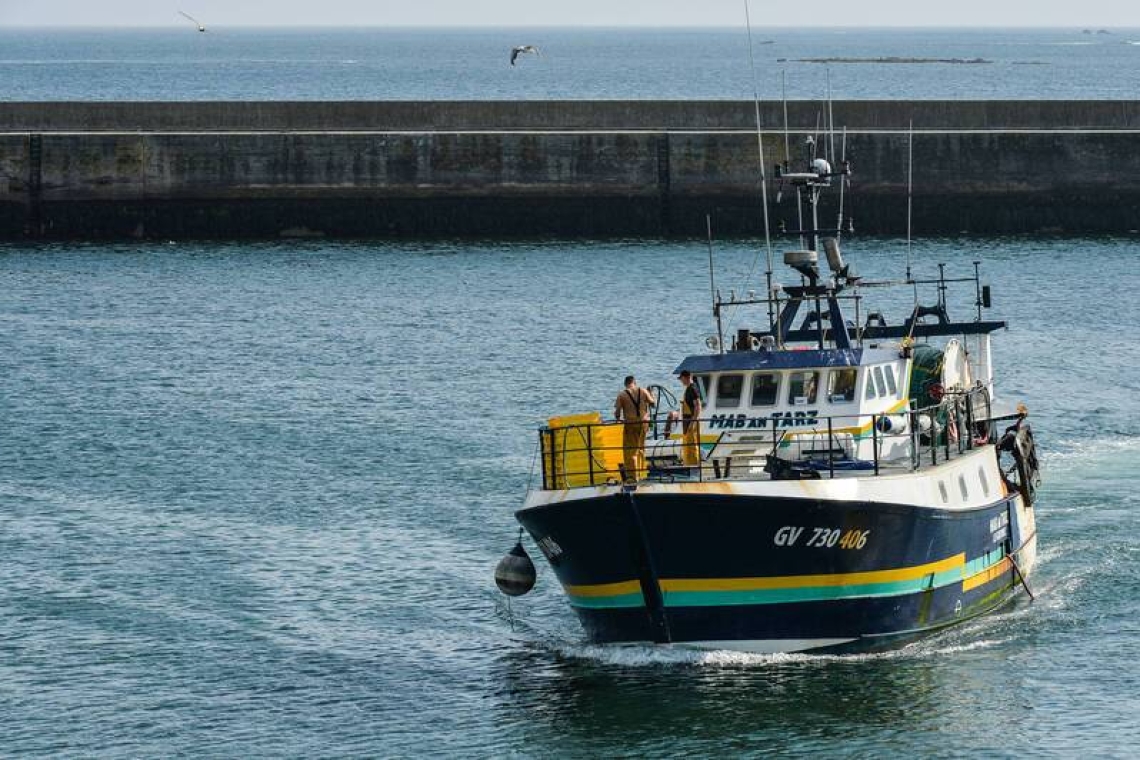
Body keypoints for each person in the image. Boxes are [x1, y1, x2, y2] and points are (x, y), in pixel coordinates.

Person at [613, 375, 656, 482]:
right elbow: (653, 403)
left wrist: (618, 418)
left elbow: (617, 411)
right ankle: (642, 473)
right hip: (644, 424)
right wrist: (651, 394)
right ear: (634, 382)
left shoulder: (622, 395)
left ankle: (632, 477)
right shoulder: (643, 391)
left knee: (630, 451)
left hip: (631, 425)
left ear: (625, 384)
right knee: (641, 448)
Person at [679, 370, 703, 467]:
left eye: (682, 379)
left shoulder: (692, 388)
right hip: (687, 421)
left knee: (692, 445)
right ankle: (688, 464)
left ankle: (694, 465)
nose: (681, 381)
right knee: (688, 445)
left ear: (687, 377)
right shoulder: (688, 388)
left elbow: (697, 406)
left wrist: (693, 422)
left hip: (691, 421)